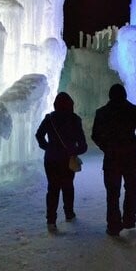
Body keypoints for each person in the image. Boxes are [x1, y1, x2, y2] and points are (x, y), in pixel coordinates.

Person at [91, 83, 136, 236]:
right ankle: (129, 220)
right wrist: (135, 144)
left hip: (111, 158)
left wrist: (106, 147)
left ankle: (113, 225)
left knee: (112, 192)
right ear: (125, 94)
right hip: (130, 156)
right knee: (131, 189)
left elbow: (95, 135)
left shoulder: (102, 112)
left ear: (110, 96)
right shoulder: (133, 110)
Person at [36, 92, 88, 232]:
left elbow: (39, 135)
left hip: (51, 159)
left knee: (52, 189)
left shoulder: (49, 118)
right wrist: (74, 151)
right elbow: (83, 145)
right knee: (68, 186)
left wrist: (47, 147)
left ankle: (51, 221)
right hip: (67, 159)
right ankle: (69, 214)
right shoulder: (74, 119)